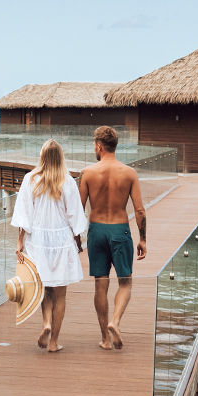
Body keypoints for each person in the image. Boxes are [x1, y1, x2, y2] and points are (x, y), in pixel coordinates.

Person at [11, 139, 88, 352]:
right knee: (60, 294)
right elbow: (75, 218)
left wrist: (20, 242)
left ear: (42, 157)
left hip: (38, 240)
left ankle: (46, 322)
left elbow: (24, 216)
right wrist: (78, 243)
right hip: (62, 239)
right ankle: (54, 342)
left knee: (44, 287)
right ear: (61, 157)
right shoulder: (68, 181)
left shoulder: (30, 179)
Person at [79, 126, 146, 350]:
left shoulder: (87, 173)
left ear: (99, 145)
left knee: (101, 285)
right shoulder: (129, 173)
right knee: (125, 282)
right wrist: (143, 239)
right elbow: (139, 211)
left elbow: (78, 210)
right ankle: (115, 322)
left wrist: (76, 240)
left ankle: (105, 340)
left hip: (96, 231)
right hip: (120, 230)